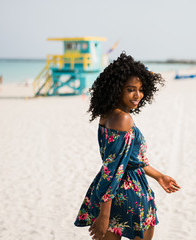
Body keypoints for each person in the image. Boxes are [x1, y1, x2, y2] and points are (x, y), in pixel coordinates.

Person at [74, 53, 181, 240]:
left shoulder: (109, 114)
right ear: (117, 89)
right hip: (129, 193)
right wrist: (104, 214)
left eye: (140, 89)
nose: (137, 95)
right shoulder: (123, 118)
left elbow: (129, 160)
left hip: (108, 190)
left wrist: (159, 177)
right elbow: (113, 168)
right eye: (131, 89)